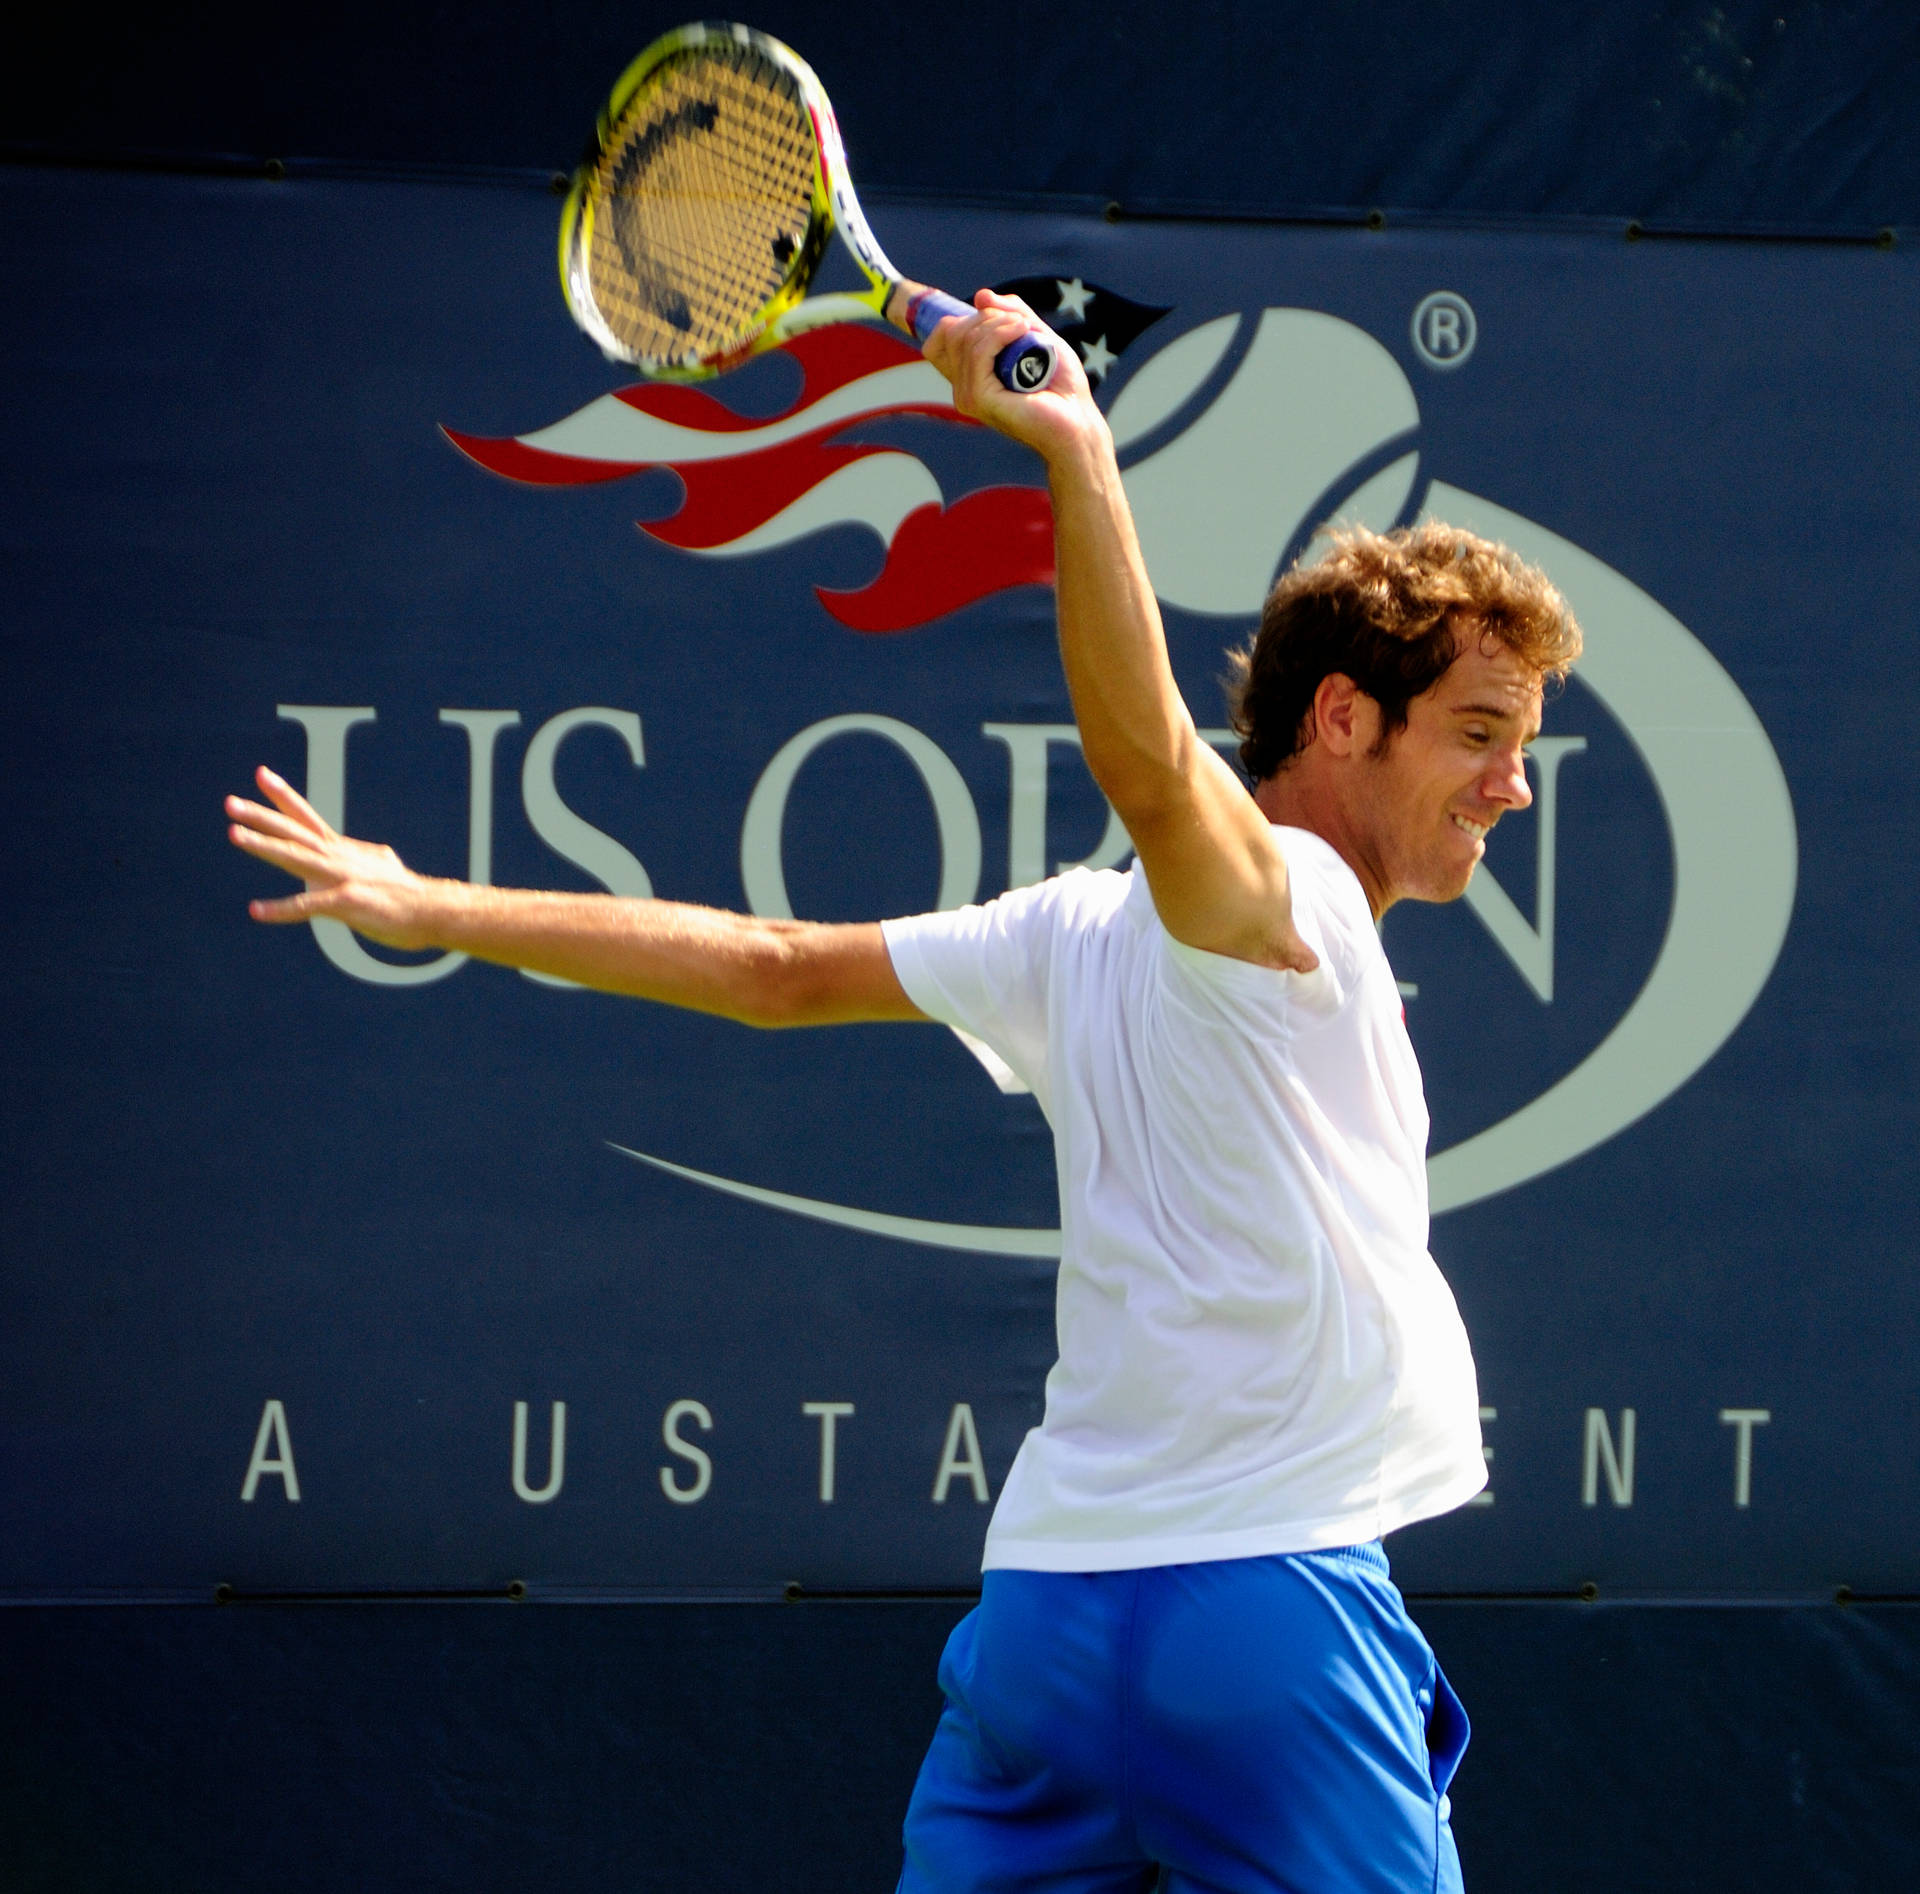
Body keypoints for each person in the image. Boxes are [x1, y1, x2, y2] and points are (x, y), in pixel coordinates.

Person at [226, 290, 1581, 1892]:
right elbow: (1152, 772)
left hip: (1047, 1633)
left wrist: (429, 902)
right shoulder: (1291, 892)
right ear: (1343, 720)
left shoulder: (1064, 926)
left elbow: (767, 964)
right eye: (1480, 732)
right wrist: (1076, 449)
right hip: (1267, 1624)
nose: (1512, 779)